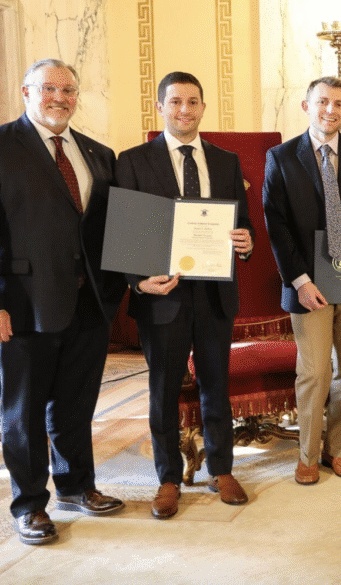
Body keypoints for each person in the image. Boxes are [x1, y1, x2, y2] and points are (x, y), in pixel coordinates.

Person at [0, 59, 126, 545]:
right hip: (21, 306)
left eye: (69, 90)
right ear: (26, 91)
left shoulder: (97, 152)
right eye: (49, 88)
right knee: (24, 412)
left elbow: (109, 228)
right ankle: (29, 505)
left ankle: (76, 486)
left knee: (75, 405)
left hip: (90, 304)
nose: (60, 98)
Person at [116, 72, 254, 519]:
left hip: (215, 295)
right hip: (163, 297)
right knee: (163, 389)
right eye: (175, 102)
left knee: (217, 384)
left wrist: (246, 242)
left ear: (203, 107)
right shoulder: (134, 160)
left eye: (193, 102)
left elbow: (243, 224)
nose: (184, 110)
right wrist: (139, 280)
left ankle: (221, 469)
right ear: (160, 107)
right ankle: (168, 479)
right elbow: (124, 233)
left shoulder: (227, 161)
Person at [263, 77, 341, 485]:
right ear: (306, 106)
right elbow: (276, 226)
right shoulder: (281, 157)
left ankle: (340, 450)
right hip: (308, 287)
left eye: (338, 103)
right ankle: (307, 454)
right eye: (322, 102)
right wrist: (299, 280)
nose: (330, 110)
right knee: (315, 372)